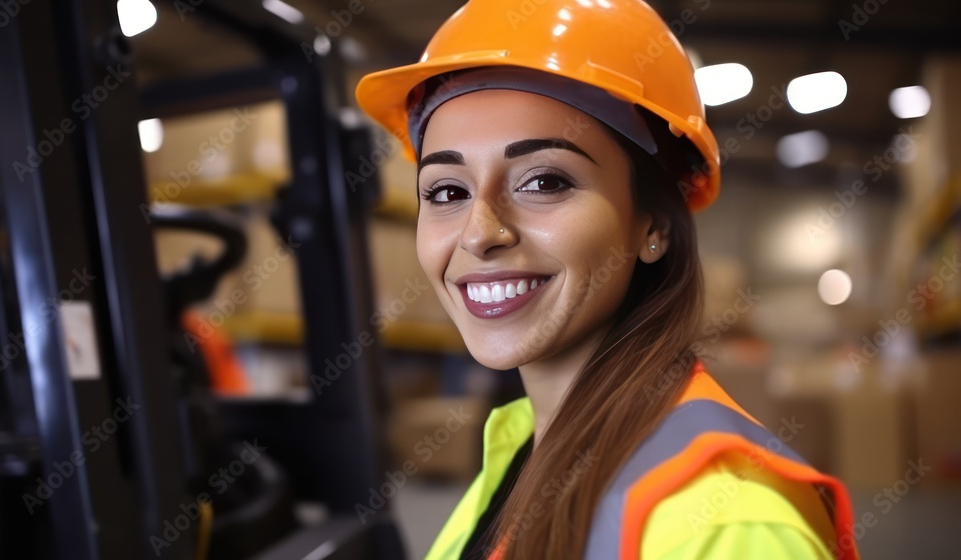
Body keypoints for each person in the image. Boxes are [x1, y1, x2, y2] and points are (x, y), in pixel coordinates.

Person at [355, 1, 860, 559]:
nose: (480, 233)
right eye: (447, 192)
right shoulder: (525, 449)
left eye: (543, 182)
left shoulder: (727, 523)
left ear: (653, 226)